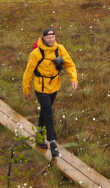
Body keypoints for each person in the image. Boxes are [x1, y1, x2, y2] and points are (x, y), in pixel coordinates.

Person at [23, 27, 78, 157]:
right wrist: (26, 89)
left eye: (53, 37)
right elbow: (28, 72)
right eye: (49, 38)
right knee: (48, 112)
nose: (51, 40)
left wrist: (73, 79)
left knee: (45, 110)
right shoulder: (36, 53)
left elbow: (70, 65)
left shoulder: (60, 49)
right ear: (44, 38)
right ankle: (52, 143)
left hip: (54, 86)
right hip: (40, 87)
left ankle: (39, 134)